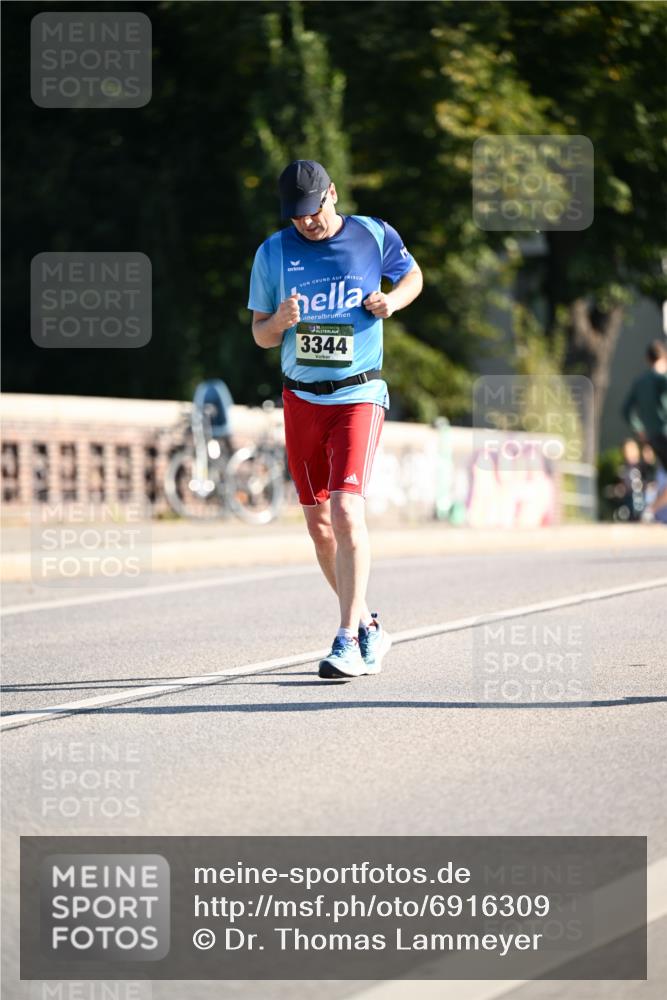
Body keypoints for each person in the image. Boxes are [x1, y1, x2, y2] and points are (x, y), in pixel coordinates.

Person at [248, 160, 423, 678]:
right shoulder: (273, 252)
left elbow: (413, 275)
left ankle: (346, 638)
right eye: (297, 216)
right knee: (319, 525)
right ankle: (368, 624)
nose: (307, 223)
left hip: (358, 393)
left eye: (314, 212)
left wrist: (391, 301)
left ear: (333, 195)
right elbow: (259, 332)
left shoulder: (372, 234)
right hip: (301, 399)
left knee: (348, 511)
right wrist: (278, 322)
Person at [622, 339, 667, 521]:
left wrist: (639, 429)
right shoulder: (660, 378)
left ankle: (651, 510)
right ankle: (650, 510)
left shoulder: (639, 382)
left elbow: (625, 410)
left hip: (652, 436)